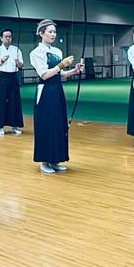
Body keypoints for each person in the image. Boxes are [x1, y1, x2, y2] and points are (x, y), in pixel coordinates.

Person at [30, 19, 83, 174]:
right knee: (46, 124)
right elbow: (45, 75)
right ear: (41, 34)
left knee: (58, 124)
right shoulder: (36, 53)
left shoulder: (57, 51)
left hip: (57, 90)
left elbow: (59, 75)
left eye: (54, 32)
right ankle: (44, 161)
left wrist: (73, 71)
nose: (53, 34)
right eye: (50, 32)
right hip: (45, 91)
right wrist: (61, 65)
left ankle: (55, 159)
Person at [0, 27, 24, 136]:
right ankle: (0, 127)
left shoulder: (16, 50)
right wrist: (0, 61)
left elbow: (21, 65)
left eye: (10, 37)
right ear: (1, 38)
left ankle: (15, 126)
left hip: (13, 78)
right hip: (2, 78)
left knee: (15, 102)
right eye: (6, 37)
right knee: (1, 102)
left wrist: (18, 63)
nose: (8, 38)